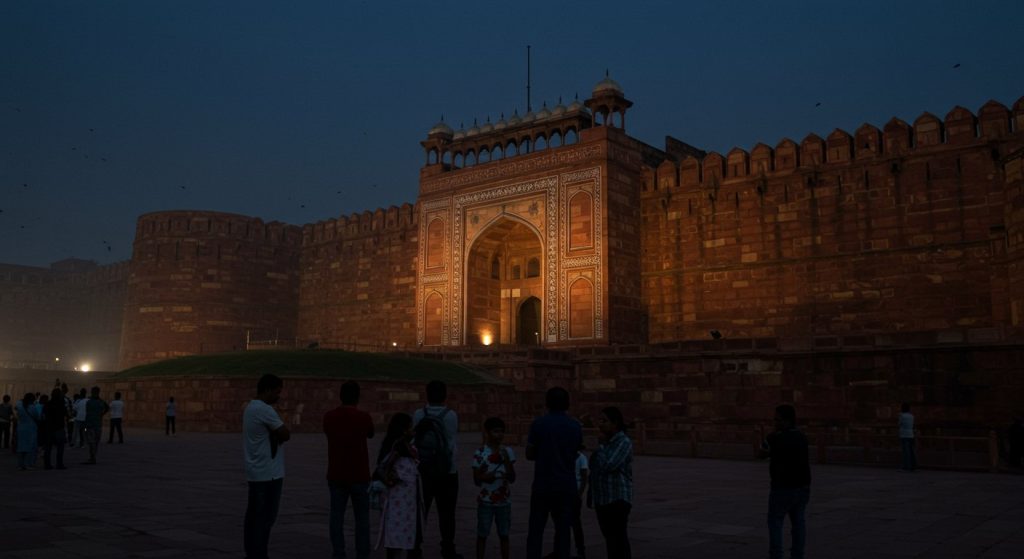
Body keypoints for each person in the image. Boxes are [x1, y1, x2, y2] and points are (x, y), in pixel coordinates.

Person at [525, 386, 583, 559]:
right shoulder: (574, 426)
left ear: (547, 403)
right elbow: (575, 453)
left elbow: (529, 454)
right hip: (566, 484)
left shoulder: (539, 424)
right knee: (563, 530)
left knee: (536, 530)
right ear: (567, 404)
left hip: (543, 484)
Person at [323, 381, 375, 559]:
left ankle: (339, 552)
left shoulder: (329, 417)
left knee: (336, 516)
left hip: (336, 473)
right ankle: (363, 553)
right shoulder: (364, 417)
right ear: (358, 397)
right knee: (362, 519)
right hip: (360, 474)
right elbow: (371, 433)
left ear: (340, 396)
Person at [411, 380, 462, 559]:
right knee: (447, 513)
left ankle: (415, 548)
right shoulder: (451, 416)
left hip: (423, 470)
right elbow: (450, 442)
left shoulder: (418, 414)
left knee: (420, 511)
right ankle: (448, 548)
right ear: (445, 395)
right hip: (447, 471)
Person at [243, 374, 290, 559]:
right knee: (266, 519)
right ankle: (259, 554)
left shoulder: (249, 407)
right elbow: (285, 434)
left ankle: (252, 553)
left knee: (254, 518)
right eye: (277, 392)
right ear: (268, 390)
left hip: (256, 471)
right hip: (269, 474)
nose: (279, 396)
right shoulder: (265, 410)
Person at [761, 404, 811, 559]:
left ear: (787, 421)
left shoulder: (775, 438)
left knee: (775, 522)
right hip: (802, 487)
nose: (775, 423)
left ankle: (776, 556)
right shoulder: (802, 437)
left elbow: (761, 452)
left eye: (778, 420)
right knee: (798, 523)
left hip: (782, 487)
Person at [588, 407, 633, 559]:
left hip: (617, 498)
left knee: (618, 541)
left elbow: (609, 465)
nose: (600, 424)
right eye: (600, 420)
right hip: (603, 498)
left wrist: (600, 446)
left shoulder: (623, 442)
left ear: (615, 423)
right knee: (611, 541)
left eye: (604, 421)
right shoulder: (608, 443)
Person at [376, 413, 421, 559]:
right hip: (401, 497)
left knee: (395, 531)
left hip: (398, 499)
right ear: (404, 430)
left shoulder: (392, 445)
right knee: (403, 531)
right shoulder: (400, 447)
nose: (413, 430)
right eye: (410, 427)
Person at [472, 417, 517, 559]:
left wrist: (507, 460)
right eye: (496, 431)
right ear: (487, 432)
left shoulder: (508, 452)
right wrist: (486, 476)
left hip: (504, 500)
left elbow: (512, 478)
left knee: (504, 534)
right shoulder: (480, 453)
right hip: (486, 500)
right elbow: (476, 480)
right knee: (482, 534)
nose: (499, 435)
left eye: (501, 432)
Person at [82, 386, 110, 465]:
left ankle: (92, 458)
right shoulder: (100, 402)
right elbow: (107, 407)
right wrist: (101, 414)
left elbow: (87, 413)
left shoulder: (89, 402)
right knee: (95, 442)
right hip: (97, 424)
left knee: (92, 442)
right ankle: (93, 457)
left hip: (91, 424)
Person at [43, 388, 68, 470]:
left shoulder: (47, 404)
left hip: (49, 428)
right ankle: (59, 464)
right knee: (60, 448)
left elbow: (44, 414)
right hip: (59, 428)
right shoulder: (61, 404)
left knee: (48, 448)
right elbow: (66, 414)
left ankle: (47, 464)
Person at [15, 393, 41, 470]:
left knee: (21, 446)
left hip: (21, 428)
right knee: (31, 446)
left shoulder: (19, 407)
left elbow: (17, 416)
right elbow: (37, 417)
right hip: (31, 428)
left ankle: (20, 464)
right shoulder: (32, 407)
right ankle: (29, 464)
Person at [898, 403, 916, 472]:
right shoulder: (911, 416)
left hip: (904, 434)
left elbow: (899, 423)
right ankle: (913, 465)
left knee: (905, 451)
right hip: (911, 434)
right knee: (911, 451)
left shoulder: (901, 415)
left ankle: (906, 466)